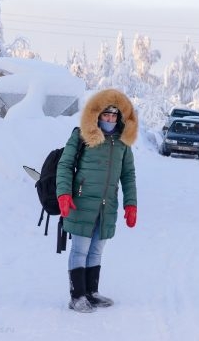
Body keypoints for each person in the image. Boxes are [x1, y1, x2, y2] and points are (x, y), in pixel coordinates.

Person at [56, 88, 138, 313]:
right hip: (81, 203)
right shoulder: (81, 135)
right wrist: (63, 194)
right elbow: (64, 165)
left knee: (96, 250)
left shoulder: (122, 143)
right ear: (97, 115)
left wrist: (131, 204)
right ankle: (77, 296)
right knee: (80, 249)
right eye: (106, 115)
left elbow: (128, 175)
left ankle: (91, 292)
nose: (110, 119)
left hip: (107, 206)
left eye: (114, 115)